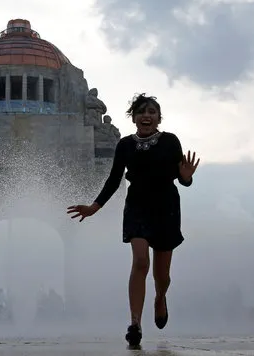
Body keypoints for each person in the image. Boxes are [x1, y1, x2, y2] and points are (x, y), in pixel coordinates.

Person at [67, 93, 199, 347]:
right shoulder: (125, 145)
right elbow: (114, 179)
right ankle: (135, 323)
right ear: (134, 118)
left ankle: (160, 297)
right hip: (137, 206)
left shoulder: (171, 142)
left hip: (166, 208)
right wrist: (95, 206)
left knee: (163, 276)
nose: (146, 115)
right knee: (140, 262)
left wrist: (186, 177)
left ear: (159, 118)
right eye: (141, 111)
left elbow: (181, 178)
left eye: (151, 111)